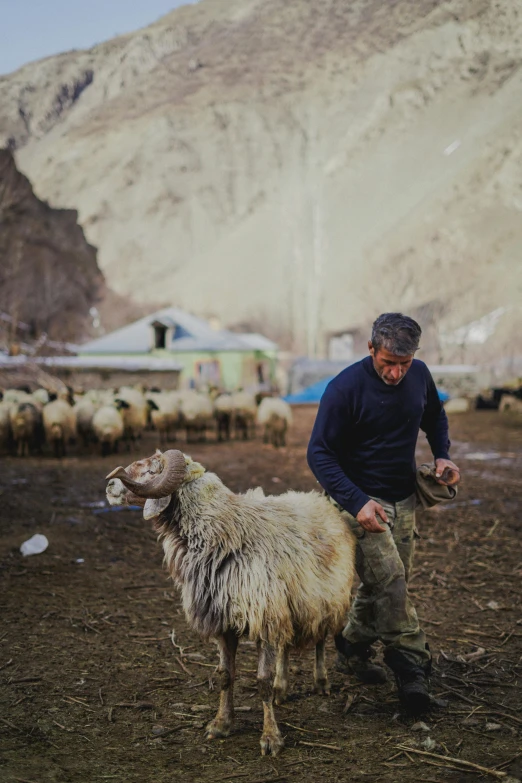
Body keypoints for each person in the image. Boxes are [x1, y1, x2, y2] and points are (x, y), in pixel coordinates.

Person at [307, 313, 460, 714]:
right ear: (371, 349)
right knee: (392, 584)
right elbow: (318, 453)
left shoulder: (420, 375)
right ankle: (412, 670)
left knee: (386, 583)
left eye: (403, 365)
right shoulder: (344, 389)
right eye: (387, 363)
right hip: (355, 501)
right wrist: (357, 502)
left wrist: (442, 454)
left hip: (403, 498)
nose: (395, 373)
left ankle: (351, 645)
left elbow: (435, 416)